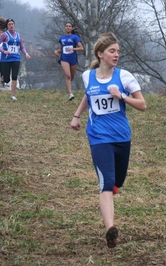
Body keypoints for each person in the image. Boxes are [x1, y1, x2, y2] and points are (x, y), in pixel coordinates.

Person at [70, 32, 147, 248]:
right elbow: (88, 95)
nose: (116, 55)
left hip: (122, 137)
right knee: (105, 184)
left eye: (118, 52)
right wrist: (77, 115)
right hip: (98, 137)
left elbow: (143, 105)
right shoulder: (88, 76)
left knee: (116, 182)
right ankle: (110, 228)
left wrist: (122, 96)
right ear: (100, 54)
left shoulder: (124, 77)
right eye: (112, 51)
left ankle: (112, 192)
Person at [0, 17, 31, 100]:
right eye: (9, 24)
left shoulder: (18, 35)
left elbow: (22, 47)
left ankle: (13, 95)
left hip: (16, 58)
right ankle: (5, 79)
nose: (11, 26)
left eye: (12, 24)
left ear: (14, 25)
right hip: (6, 59)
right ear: (7, 26)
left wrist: (26, 53)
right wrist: (4, 51)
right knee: (7, 79)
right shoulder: (4, 35)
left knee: (14, 76)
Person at [54, 22, 84, 101]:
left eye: (69, 26)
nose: (68, 27)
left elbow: (81, 48)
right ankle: (70, 94)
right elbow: (62, 49)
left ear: (71, 28)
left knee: (71, 77)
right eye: (66, 26)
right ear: (64, 27)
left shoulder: (75, 37)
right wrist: (57, 51)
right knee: (68, 76)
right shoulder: (61, 38)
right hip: (64, 59)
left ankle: (69, 88)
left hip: (73, 59)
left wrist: (73, 49)